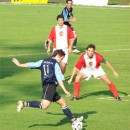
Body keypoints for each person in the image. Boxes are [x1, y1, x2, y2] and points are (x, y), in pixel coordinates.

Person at [12, 49, 83, 125]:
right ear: (58, 56)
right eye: (61, 58)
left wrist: (19, 64)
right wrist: (65, 91)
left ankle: (74, 120)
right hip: (50, 86)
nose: (61, 61)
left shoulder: (43, 61)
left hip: (48, 86)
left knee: (63, 103)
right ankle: (24, 104)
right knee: (44, 106)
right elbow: (59, 79)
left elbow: (31, 64)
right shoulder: (55, 64)